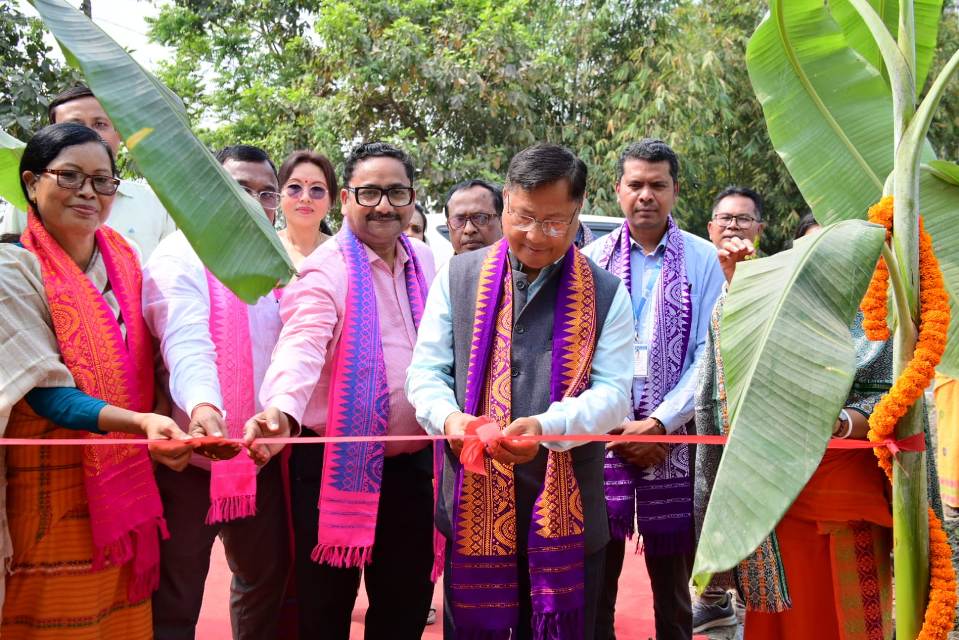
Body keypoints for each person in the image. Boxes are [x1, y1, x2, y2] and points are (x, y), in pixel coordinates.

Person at [407, 143, 634, 640]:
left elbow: (614, 395)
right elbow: (425, 373)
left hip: (568, 521)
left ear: (578, 214)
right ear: (505, 201)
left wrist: (546, 427)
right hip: (473, 509)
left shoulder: (607, 292)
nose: (535, 236)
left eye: (554, 222)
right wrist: (452, 422)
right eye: (523, 216)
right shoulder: (460, 276)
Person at [0, 122, 193, 638]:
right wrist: (142, 423)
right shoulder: (11, 268)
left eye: (103, 181)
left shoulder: (125, 258)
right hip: (47, 493)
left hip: (123, 491)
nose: (88, 192)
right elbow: (47, 394)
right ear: (31, 183)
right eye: (69, 176)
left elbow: (150, 356)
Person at [247, 141, 436, 639]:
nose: (383, 205)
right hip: (332, 467)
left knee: (405, 608)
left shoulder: (426, 263)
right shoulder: (325, 268)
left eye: (396, 192)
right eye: (370, 192)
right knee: (325, 612)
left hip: (412, 470)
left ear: (412, 199)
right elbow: (301, 344)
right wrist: (281, 411)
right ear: (347, 198)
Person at [693, 215, 895, 639]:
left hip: (846, 502)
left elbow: (889, 400)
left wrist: (839, 422)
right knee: (784, 623)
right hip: (775, 497)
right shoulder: (774, 313)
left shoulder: (874, 316)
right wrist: (738, 288)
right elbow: (730, 374)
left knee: (847, 618)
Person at [142, 144, 290, 640]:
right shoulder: (177, 254)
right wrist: (205, 406)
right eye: (237, 189)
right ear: (211, 195)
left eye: (265, 192)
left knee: (263, 581)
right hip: (191, 458)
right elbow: (186, 339)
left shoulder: (279, 265)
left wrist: (278, 415)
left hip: (261, 456)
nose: (253, 201)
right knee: (177, 594)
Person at [583, 138, 725, 640]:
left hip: (675, 441)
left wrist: (662, 423)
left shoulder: (703, 260)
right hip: (606, 435)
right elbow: (583, 356)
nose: (646, 195)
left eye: (657, 185)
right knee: (597, 580)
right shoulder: (592, 259)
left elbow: (710, 352)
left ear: (674, 191)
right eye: (636, 184)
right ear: (618, 190)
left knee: (672, 592)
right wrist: (618, 424)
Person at [692, 185, 766, 633]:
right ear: (710, 226)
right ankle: (715, 596)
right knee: (710, 503)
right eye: (726, 219)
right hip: (709, 414)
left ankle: (758, 600)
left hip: (760, 417)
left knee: (758, 506)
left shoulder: (775, 274)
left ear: (760, 227)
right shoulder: (700, 267)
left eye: (743, 220)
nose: (734, 227)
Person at [0, 85, 176, 259]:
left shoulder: (153, 204)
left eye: (100, 124)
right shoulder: (24, 206)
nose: (88, 134)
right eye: (74, 126)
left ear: (119, 133)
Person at [277, 150, 336, 270]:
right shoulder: (263, 248)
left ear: (331, 201)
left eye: (317, 189)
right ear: (278, 194)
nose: (305, 198)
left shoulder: (344, 254)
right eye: (294, 187)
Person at [443, 178, 504, 253]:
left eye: (480, 218)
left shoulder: (519, 263)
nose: (469, 229)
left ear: (502, 222)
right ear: (448, 227)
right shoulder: (443, 265)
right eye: (459, 220)